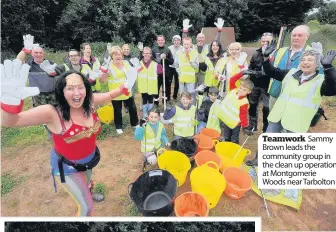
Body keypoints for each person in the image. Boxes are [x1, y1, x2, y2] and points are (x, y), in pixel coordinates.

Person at [1, 58, 133, 216]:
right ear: (61, 91)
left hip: (89, 161)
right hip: (66, 167)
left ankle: (88, 191)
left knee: (88, 183)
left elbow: (111, 94)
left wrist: (125, 86)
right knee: (86, 208)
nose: (77, 93)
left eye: (80, 87)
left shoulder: (89, 102)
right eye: (70, 88)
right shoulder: (52, 113)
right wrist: (9, 102)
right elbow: (11, 121)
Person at [246, 44, 336, 166]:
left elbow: (332, 89)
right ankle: (261, 162)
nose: (305, 62)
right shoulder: (292, 73)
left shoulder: (320, 80)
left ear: (317, 65)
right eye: (303, 59)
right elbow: (272, 72)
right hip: (278, 116)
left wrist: (328, 67)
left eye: (310, 60)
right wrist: (266, 58)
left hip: (296, 123)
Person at [16, 35, 58, 139]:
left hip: (53, 93)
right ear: (32, 54)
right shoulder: (29, 65)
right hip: (38, 96)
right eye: (36, 53)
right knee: (44, 115)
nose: (39, 55)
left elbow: (58, 76)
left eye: (41, 52)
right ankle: (50, 132)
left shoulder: (50, 63)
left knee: (57, 112)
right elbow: (17, 62)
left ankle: (59, 130)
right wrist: (25, 51)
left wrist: (54, 73)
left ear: (44, 53)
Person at [268, 25, 314, 110]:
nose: (296, 38)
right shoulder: (280, 51)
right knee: (272, 121)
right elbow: (267, 70)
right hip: (276, 93)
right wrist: (266, 58)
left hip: (296, 98)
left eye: (299, 35)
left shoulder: (313, 53)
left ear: (307, 37)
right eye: (294, 35)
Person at [206, 72, 254, 143]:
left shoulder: (244, 102)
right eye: (240, 88)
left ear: (249, 92)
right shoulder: (233, 90)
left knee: (234, 140)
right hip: (226, 120)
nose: (241, 91)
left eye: (244, 90)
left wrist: (245, 127)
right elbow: (232, 79)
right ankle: (227, 149)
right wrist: (241, 73)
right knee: (227, 137)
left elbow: (243, 115)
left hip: (235, 124)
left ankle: (233, 150)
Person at [103, 46, 139, 134]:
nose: (118, 56)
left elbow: (132, 73)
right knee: (117, 110)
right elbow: (102, 80)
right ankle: (118, 126)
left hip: (127, 91)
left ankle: (135, 123)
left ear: (122, 56)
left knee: (133, 108)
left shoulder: (126, 63)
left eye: (119, 54)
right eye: (115, 54)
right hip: (115, 93)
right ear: (112, 56)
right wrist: (105, 74)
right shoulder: (108, 65)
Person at [182, 18, 224, 87]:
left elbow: (217, 42)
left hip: (203, 71)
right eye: (199, 37)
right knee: (192, 88)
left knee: (202, 88)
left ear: (204, 39)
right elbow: (185, 41)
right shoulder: (192, 46)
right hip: (193, 71)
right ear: (196, 39)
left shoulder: (208, 47)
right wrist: (185, 31)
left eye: (202, 37)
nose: (200, 39)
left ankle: (201, 98)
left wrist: (219, 31)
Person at [246, 33, 274, 133]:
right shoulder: (256, 53)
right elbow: (250, 67)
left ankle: (266, 128)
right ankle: (252, 126)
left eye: (268, 41)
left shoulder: (275, 53)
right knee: (252, 105)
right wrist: (251, 72)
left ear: (272, 42)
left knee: (267, 108)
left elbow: (276, 71)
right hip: (255, 84)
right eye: (263, 41)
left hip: (268, 86)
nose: (265, 43)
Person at [137, 47, 163, 118]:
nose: (146, 55)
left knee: (151, 100)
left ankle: (150, 113)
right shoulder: (138, 63)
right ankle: (145, 114)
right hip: (143, 86)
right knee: (144, 100)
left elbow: (160, 71)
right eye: (145, 53)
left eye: (148, 53)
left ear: (151, 54)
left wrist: (159, 62)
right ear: (142, 54)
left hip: (152, 86)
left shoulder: (154, 63)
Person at [152, 35, 174, 106]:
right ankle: (156, 103)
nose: (160, 41)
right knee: (156, 89)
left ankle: (166, 101)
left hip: (166, 73)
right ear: (157, 41)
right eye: (159, 40)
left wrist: (166, 58)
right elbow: (151, 60)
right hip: (157, 73)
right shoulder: (154, 50)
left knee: (167, 88)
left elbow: (172, 61)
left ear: (164, 41)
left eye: (162, 40)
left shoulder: (167, 50)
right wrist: (158, 59)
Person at [174, 37, 199, 102]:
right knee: (183, 95)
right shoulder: (178, 53)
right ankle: (183, 108)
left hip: (190, 78)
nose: (186, 46)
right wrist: (180, 73)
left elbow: (196, 66)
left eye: (188, 44)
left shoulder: (194, 52)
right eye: (185, 44)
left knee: (190, 95)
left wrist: (191, 62)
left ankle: (191, 108)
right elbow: (176, 65)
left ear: (191, 44)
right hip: (182, 78)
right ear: (183, 44)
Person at [168, 35, 183, 102]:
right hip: (170, 67)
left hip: (178, 68)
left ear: (180, 41)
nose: (176, 42)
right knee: (169, 82)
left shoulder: (183, 48)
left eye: (178, 40)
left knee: (177, 83)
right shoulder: (169, 48)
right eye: (175, 40)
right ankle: (168, 97)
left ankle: (174, 97)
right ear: (173, 41)